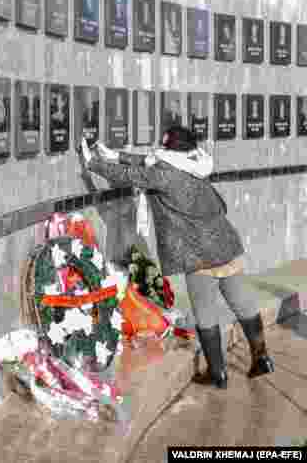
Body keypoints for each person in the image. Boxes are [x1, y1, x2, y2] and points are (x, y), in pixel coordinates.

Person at [80, 125, 274, 389]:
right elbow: (150, 162)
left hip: (199, 255)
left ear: (171, 150)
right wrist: (117, 155)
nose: (160, 149)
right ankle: (261, 356)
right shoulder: (196, 163)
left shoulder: (167, 174)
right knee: (243, 305)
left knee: (205, 313)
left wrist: (94, 163)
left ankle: (217, 373)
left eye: (164, 145)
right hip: (227, 245)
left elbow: (133, 174)